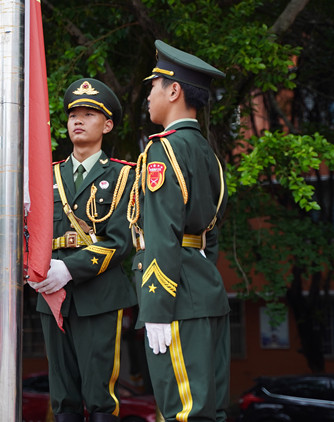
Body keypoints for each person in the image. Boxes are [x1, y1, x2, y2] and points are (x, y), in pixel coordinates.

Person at [127, 40, 229, 421]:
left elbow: (160, 232)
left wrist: (155, 307)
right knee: (211, 410)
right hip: (203, 291)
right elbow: (210, 236)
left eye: (154, 85)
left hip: (174, 301)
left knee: (184, 412)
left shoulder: (162, 151)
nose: (149, 94)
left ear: (174, 91)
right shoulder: (206, 151)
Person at [28, 78, 137, 422]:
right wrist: (30, 266)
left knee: (100, 397)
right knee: (63, 398)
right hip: (50, 293)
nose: (77, 119)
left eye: (88, 114)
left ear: (106, 125)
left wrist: (70, 269)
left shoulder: (123, 177)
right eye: (74, 113)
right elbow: (29, 231)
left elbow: (120, 240)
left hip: (99, 294)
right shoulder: (46, 176)